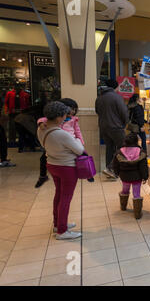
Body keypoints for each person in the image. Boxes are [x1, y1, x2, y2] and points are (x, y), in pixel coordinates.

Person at [37, 101, 84, 240]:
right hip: (67, 167)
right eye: (65, 115)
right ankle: (62, 231)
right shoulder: (62, 134)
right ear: (58, 117)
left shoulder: (41, 129)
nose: (66, 118)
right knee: (65, 199)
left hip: (52, 164)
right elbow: (80, 150)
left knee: (59, 195)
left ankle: (58, 224)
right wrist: (76, 139)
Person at [36, 98, 94, 187]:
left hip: (71, 142)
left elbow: (77, 131)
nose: (73, 111)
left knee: (84, 157)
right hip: (59, 143)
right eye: (71, 108)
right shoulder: (56, 118)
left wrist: (81, 141)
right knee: (43, 159)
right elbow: (42, 119)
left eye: (75, 109)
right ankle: (42, 176)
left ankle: (88, 174)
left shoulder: (73, 120)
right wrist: (40, 123)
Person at [95, 79, 128, 179]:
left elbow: (97, 111)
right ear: (115, 87)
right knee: (123, 147)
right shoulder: (117, 97)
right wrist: (124, 123)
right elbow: (124, 112)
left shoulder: (99, 98)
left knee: (109, 148)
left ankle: (111, 171)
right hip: (116, 127)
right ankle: (110, 168)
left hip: (103, 127)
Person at [112, 133, 149, 219]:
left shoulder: (120, 152)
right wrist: (145, 176)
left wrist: (117, 173)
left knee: (125, 190)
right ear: (136, 141)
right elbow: (143, 166)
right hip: (137, 177)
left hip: (124, 176)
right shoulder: (140, 152)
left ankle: (123, 206)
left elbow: (115, 165)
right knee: (136, 194)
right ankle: (137, 214)